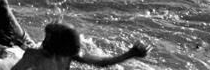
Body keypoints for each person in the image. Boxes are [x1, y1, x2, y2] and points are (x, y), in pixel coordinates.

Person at [11, 23, 151, 69]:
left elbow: (102, 62)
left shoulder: (69, 55)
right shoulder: (33, 55)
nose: (43, 41)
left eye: (47, 37)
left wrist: (129, 54)